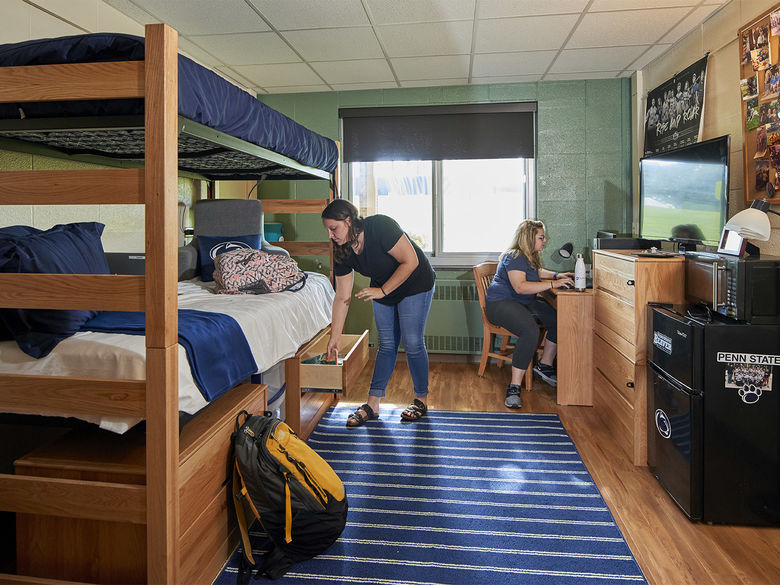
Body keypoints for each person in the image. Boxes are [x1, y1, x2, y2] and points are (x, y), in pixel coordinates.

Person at [321, 199, 436, 427]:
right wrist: (334, 337)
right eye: (327, 230)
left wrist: (382, 291)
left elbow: (410, 261)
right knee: (386, 344)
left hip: (416, 282)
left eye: (333, 228)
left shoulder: (381, 226)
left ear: (348, 221)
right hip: (382, 289)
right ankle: (372, 404)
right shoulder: (342, 249)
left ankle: (420, 399)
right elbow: (342, 296)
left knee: (412, 342)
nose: (330, 235)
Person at [484, 220, 574, 409]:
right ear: (528, 238)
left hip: (521, 302)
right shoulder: (515, 256)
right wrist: (552, 285)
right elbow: (520, 286)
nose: (545, 240)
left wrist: (558, 276)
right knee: (530, 330)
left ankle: (544, 365)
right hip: (501, 303)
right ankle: (514, 387)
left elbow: (537, 272)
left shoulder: (529, 256)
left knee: (560, 319)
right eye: (541, 237)